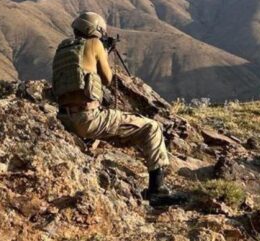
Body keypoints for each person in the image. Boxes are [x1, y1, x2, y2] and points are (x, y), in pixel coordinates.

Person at [52, 12, 183, 206]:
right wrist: (104, 52)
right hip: (88, 119)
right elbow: (107, 78)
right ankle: (158, 190)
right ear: (96, 30)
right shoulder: (95, 45)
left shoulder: (62, 48)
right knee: (152, 128)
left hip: (64, 119)